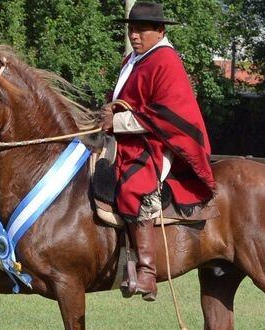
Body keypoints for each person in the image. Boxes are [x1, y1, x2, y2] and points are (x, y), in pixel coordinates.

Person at [99, 2, 216, 301]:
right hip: (129, 137)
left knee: (133, 186)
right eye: (131, 29)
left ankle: (147, 272)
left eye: (141, 30)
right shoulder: (134, 60)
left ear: (160, 31)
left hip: (159, 142)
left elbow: (166, 113)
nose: (134, 36)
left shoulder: (166, 60)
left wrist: (119, 120)